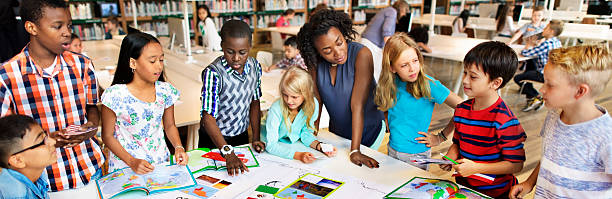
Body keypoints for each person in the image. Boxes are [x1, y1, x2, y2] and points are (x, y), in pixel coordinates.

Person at [1, 0, 104, 193]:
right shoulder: (6, 77)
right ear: (32, 27)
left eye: (69, 26)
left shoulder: (83, 65)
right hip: (45, 184)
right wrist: (48, 141)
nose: (66, 32)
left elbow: (91, 107)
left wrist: (90, 126)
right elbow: (6, 140)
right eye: (57, 26)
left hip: (91, 170)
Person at [509, 45, 612, 199]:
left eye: (550, 85)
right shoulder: (554, 116)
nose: (542, 90)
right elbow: (549, 156)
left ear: (580, 91)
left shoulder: (606, 137)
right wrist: (529, 183)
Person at [297, 10, 384, 168]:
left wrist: (355, 150)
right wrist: (312, 138)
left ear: (344, 35)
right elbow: (317, 103)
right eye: (327, 51)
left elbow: (357, 106)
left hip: (369, 131)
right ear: (317, 51)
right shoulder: (315, 63)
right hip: (338, 133)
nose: (337, 53)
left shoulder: (361, 54)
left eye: (339, 42)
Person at [440, 41, 527, 198]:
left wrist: (476, 168)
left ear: (496, 83)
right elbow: (457, 144)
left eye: (473, 76)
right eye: (465, 72)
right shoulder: (461, 110)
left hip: (496, 193)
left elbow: (516, 164)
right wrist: (450, 157)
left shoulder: (505, 121)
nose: (465, 80)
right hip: (463, 187)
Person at [101, 32, 188, 174]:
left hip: (159, 162)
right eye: (152, 61)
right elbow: (107, 136)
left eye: (161, 60)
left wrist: (179, 147)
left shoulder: (165, 91)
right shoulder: (114, 95)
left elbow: (170, 125)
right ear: (133, 63)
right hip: (125, 166)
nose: (159, 66)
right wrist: (131, 161)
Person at [374, 33, 462, 170]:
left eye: (415, 61)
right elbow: (390, 109)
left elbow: (464, 107)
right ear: (392, 68)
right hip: (392, 150)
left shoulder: (429, 85)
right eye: (404, 65)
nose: (412, 68)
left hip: (417, 156)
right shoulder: (390, 84)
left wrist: (442, 137)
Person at [199, 20, 266, 176]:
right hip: (214, 140)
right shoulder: (213, 73)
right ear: (222, 46)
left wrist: (255, 137)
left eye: (242, 52)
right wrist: (227, 151)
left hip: (241, 137)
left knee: (240, 180)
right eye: (230, 51)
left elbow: (254, 103)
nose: (236, 58)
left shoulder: (255, 67)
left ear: (250, 46)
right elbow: (207, 117)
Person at [263, 67, 337, 163]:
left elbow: (306, 133)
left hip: (288, 145)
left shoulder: (312, 105)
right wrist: (298, 155)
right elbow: (271, 145)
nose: (289, 100)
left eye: (294, 97)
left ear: (306, 94)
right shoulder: (276, 108)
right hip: (266, 144)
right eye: (285, 95)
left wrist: (320, 146)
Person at [0, 115, 57, 199]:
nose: (53, 141)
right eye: (42, 142)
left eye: (46, 136)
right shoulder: (17, 195)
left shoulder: (36, 177)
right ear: (18, 160)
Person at [514, 20, 563, 112]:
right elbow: (538, 51)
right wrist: (535, 45)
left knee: (517, 78)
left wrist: (528, 44)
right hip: (554, 72)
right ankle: (529, 92)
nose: (543, 29)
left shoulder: (547, 44)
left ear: (551, 31)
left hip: (544, 74)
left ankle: (536, 96)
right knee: (531, 61)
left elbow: (525, 52)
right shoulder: (557, 42)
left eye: (546, 28)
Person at [361, 0, 409, 82]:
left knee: (371, 72)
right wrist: (391, 48)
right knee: (375, 72)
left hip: (368, 42)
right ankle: (374, 93)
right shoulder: (392, 11)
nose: (404, 14)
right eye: (405, 11)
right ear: (402, 8)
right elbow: (386, 31)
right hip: (372, 44)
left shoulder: (387, 10)